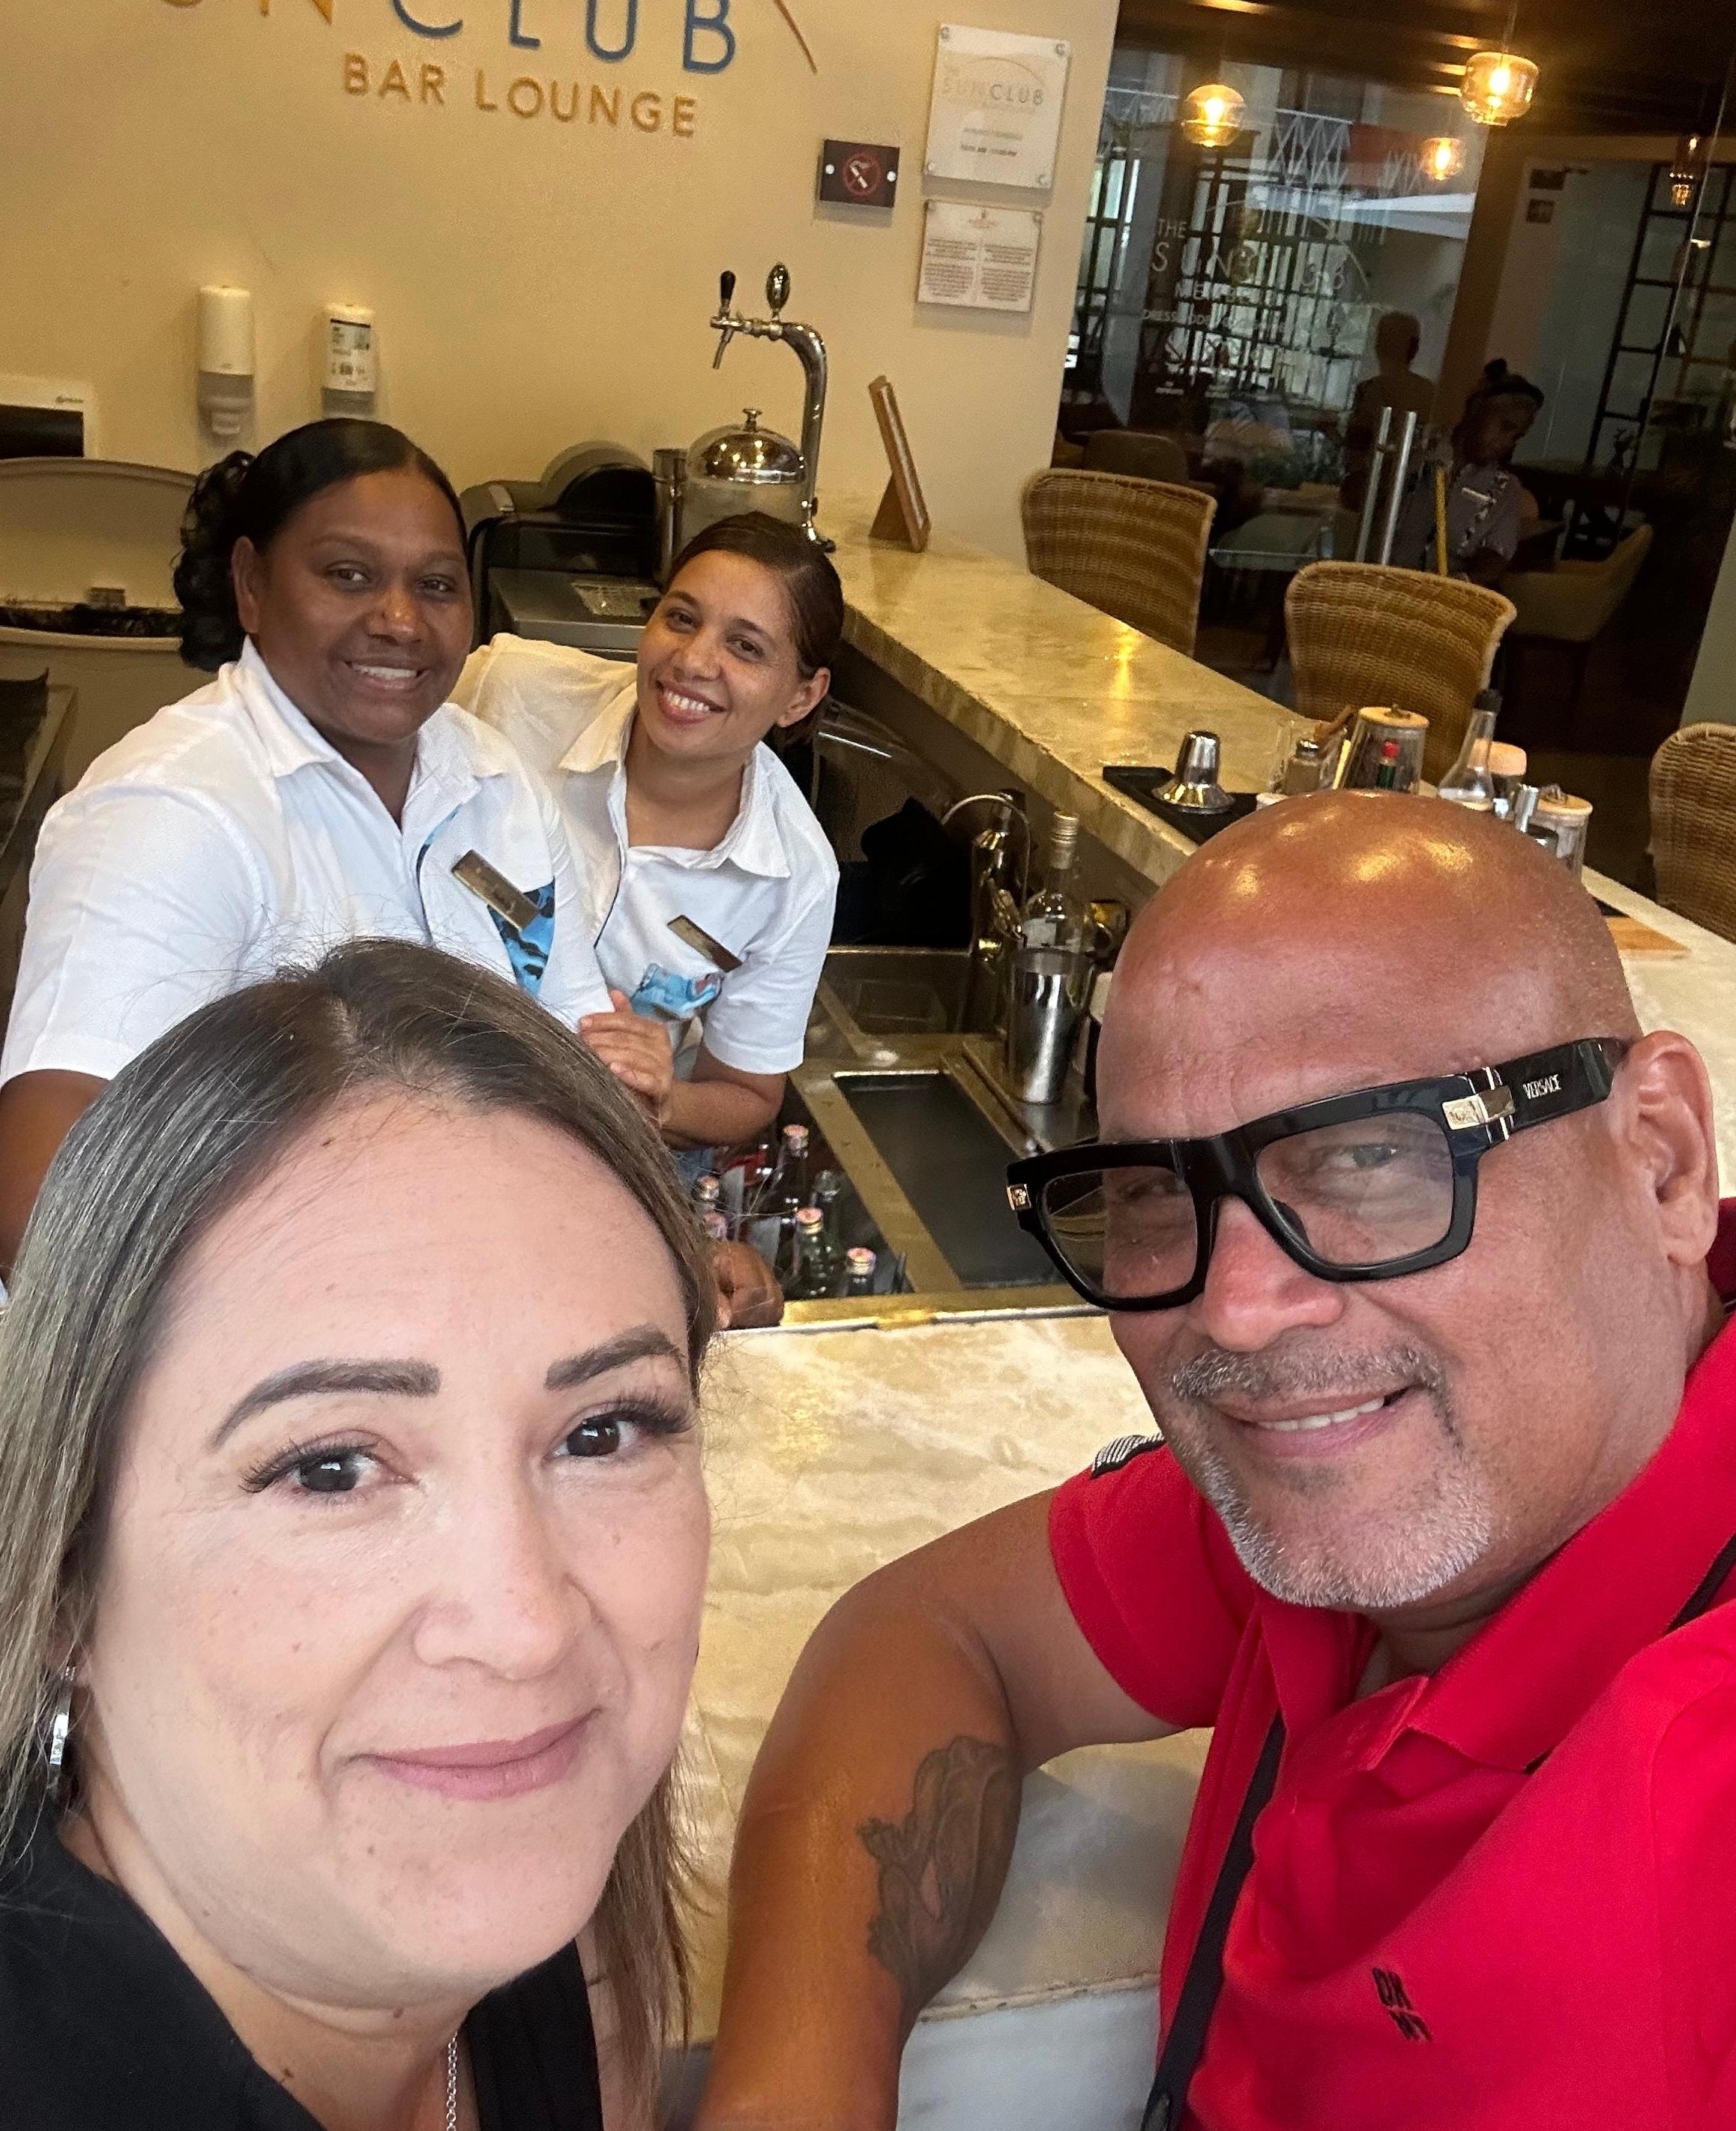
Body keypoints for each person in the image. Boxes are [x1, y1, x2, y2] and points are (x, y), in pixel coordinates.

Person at [694, 793, 1736, 2130]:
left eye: (1369, 1153)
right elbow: (937, 1631)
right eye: (1154, 1188)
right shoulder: (1389, 1497)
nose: (1236, 1308)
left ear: (1660, 1157)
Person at [0, 937, 714, 2130]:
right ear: (67, 1573)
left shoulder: (539, 1933)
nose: (526, 1630)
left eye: (602, 1434)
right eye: (330, 1469)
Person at [0, 419, 672, 1276]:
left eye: (436, 585)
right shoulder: (173, 808)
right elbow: (41, 1193)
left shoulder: (492, 779)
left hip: (479, 1270)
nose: (399, 620)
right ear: (251, 583)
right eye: (348, 575)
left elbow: (575, 1041)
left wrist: (650, 1220)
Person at [456, 512, 842, 1162]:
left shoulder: (795, 877)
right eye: (682, 619)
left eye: (746, 647)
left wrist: (663, 1099)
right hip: (432, 1086)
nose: (693, 661)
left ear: (801, 697)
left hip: (605, 1152)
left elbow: (747, 1094)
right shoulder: (511, 689)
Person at [1389, 361, 1544, 582]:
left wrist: (1459, 582)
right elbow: (1360, 496)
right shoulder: (1417, 449)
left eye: (1516, 437)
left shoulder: (1505, 489)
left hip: (1442, 595)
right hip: (1380, 582)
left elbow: (1496, 558)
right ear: (1477, 407)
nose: (1507, 443)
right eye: (1505, 427)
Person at [1340, 311, 1436, 516]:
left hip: (1391, 499)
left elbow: (1355, 449)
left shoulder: (1370, 391)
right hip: (1398, 500)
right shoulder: (1429, 393)